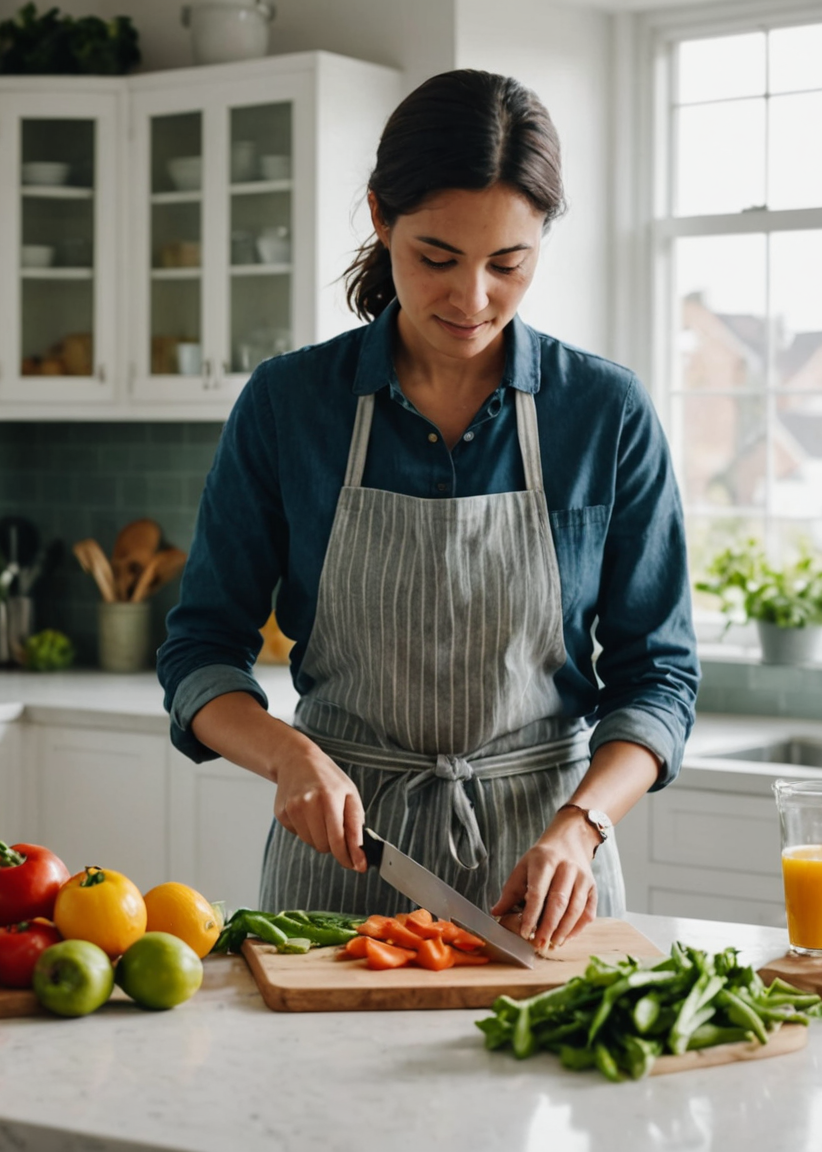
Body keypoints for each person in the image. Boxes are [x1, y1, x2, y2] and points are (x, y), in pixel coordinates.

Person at [158, 70, 698, 951]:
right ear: (381, 217)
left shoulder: (603, 413)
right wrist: (291, 757)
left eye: (508, 264)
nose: (472, 298)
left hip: (546, 877)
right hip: (339, 870)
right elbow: (198, 655)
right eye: (437, 258)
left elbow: (660, 678)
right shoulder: (291, 405)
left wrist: (583, 825)